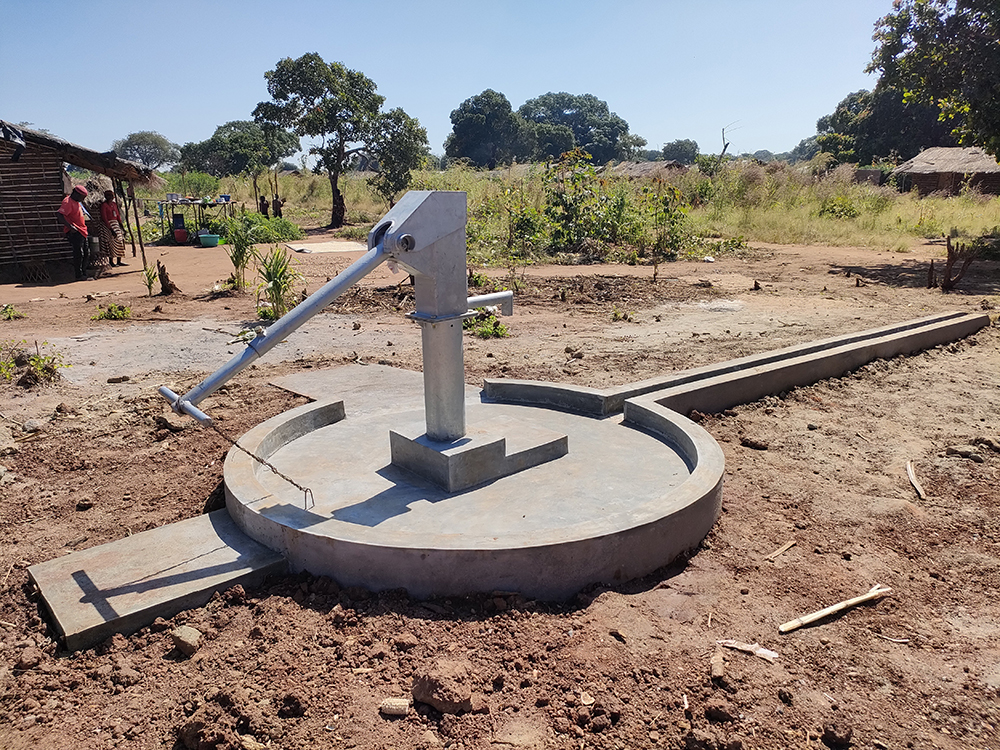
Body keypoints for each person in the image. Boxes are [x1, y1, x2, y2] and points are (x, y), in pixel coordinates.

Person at [57, 186, 89, 280]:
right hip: (75, 231)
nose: (82, 199)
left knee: (86, 253)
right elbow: (59, 214)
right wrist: (70, 227)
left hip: (82, 231)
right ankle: (78, 275)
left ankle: (83, 273)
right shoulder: (68, 202)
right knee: (79, 253)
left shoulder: (77, 202)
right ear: (76, 194)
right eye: (82, 197)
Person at [99, 190, 127, 267]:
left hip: (116, 224)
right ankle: (111, 261)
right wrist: (111, 229)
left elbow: (118, 216)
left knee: (120, 241)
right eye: (108, 196)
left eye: (111, 196)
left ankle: (119, 261)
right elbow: (104, 218)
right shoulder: (104, 205)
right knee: (111, 243)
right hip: (108, 225)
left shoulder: (114, 204)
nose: (109, 198)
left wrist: (122, 226)